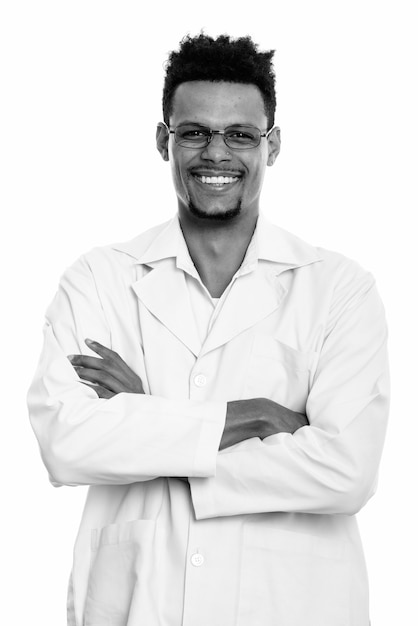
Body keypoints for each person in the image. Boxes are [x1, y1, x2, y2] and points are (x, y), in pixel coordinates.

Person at [27, 33, 389, 626]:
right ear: (162, 140)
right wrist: (253, 416)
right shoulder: (99, 280)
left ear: (271, 146)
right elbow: (65, 441)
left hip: (291, 604)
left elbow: (347, 471)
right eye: (193, 132)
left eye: (240, 134)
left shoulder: (338, 289)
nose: (215, 154)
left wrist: (149, 416)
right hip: (141, 604)